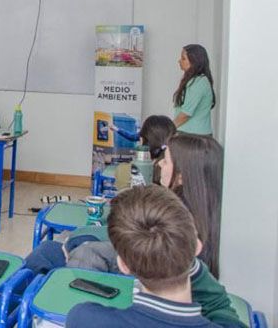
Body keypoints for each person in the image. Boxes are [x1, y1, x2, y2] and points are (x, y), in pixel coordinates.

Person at [66, 187, 226, 327]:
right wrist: (185, 256)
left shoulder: (84, 318)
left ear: (123, 265)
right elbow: (219, 305)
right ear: (197, 246)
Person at [158, 133, 223, 278]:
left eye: (166, 161)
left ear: (181, 176)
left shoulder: (174, 218)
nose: (159, 163)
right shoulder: (214, 214)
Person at [173, 44, 215, 135]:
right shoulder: (194, 80)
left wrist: (169, 129)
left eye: (183, 58)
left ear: (194, 61)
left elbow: (186, 114)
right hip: (190, 134)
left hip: (193, 137)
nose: (179, 61)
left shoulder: (199, 82)